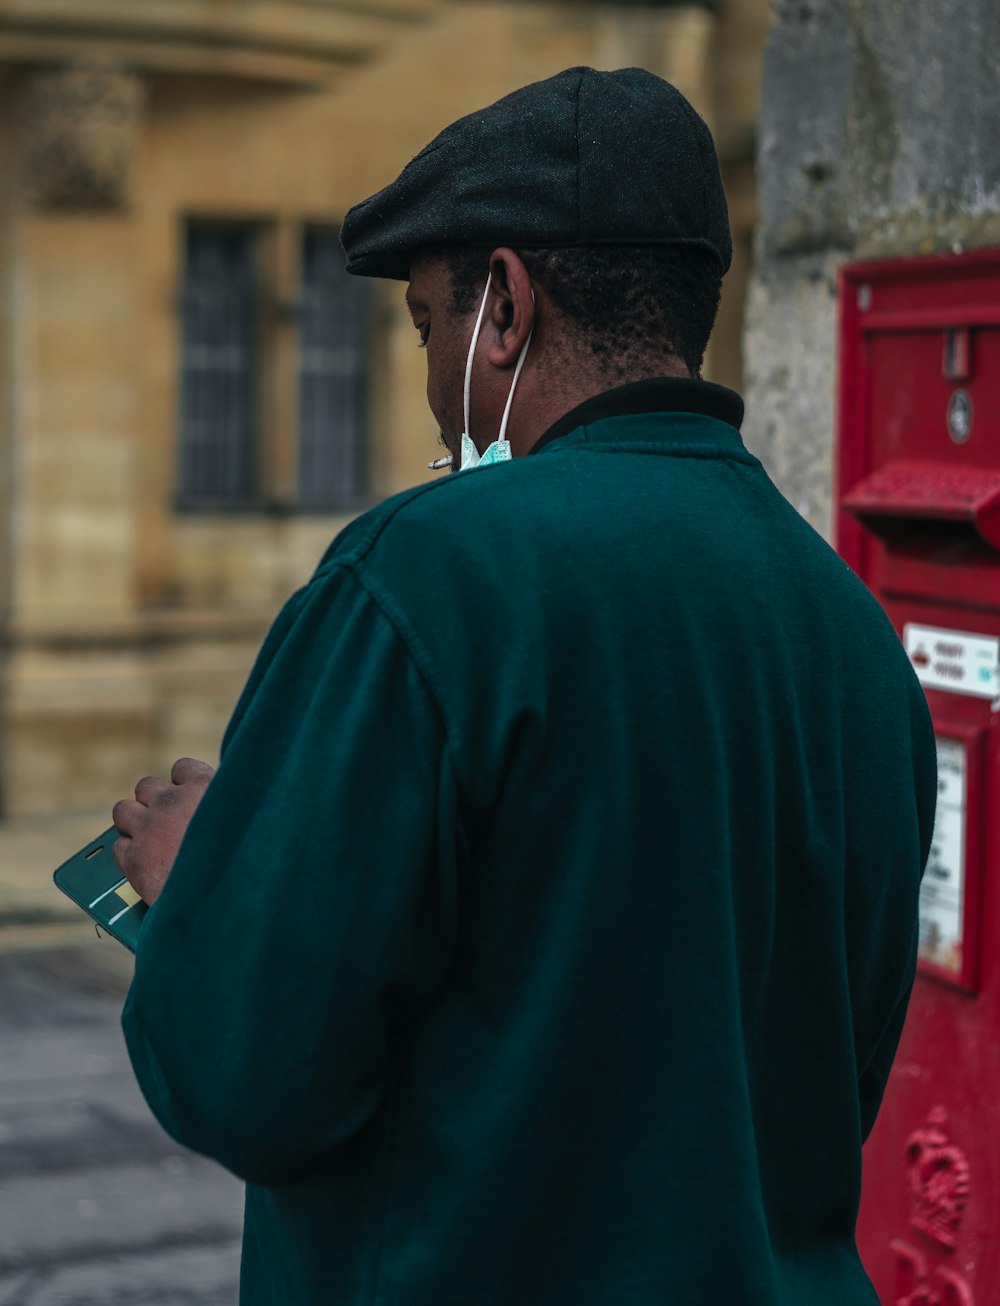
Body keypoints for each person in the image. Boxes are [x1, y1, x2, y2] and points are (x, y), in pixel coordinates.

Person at [112, 67, 937, 1305]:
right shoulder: (854, 634)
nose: (431, 375)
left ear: (504, 304)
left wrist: (206, 888)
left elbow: (244, 1077)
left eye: (426, 324)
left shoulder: (433, 573)